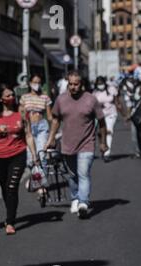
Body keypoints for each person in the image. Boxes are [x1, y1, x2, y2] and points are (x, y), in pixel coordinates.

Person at [44, 70, 108, 219]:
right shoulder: (61, 100)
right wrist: (51, 139)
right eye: (70, 84)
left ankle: (83, 203)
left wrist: (103, 142)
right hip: (67, 144)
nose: (72, 87)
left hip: (87, 143)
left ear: (82, 85)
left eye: (76, 84)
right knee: (72, 176)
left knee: (83, 173)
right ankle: (75, 197)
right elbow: (55, 120)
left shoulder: (91, 100)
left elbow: (102, 123)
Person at [0, 87, 39, 235]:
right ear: (1, 99)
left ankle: (10, 221)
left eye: (13, 94)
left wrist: (34, 155)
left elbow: (28, 135)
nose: (11, 97)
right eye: (8, 95)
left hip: (17, 155)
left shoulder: (21, 113)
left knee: (12, 187)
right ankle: (11, 213)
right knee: (5, 188)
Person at [19, 74, 53, 205]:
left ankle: (40, 188)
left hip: (42, 127)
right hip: (29, 129)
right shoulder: (24, 98)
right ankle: (38, 181)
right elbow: (20, 114)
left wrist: (54, 132)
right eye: (34, 82)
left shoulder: (45, 97)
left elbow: (49, 116)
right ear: (30, 83)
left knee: (42, 155)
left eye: (39, 82)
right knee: (30, 158)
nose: (36, 84)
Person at [92, 76, 121, 163]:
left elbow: (117, 101)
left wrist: (123, 112)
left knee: (108, 131)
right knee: (100, 134)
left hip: (111, 114)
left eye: (102, 83)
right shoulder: (94, 93)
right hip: (99, 116)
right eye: (99, 84)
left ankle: (106, 153)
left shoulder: (111, 89)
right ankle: (103, 147)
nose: (100, 85)